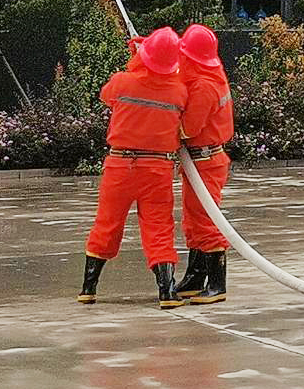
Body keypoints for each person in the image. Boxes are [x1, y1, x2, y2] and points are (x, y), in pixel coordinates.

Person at [80, 25, 189, 307]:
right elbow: (169, 79)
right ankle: (167, 291)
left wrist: (136, 60)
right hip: (158, 169)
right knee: (159, 227)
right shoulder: (178, 91)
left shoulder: (122, 82)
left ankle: (88, 288)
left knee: (107, 223)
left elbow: (107, 97)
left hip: (120, 166)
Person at [174, 23, 235, 306]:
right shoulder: (207, 71)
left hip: (205, 159)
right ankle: (196, 277)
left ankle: (216, 283)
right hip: (200, 160)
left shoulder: (204, 86)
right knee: (193, 219)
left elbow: (188, 128)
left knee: (206, 219)